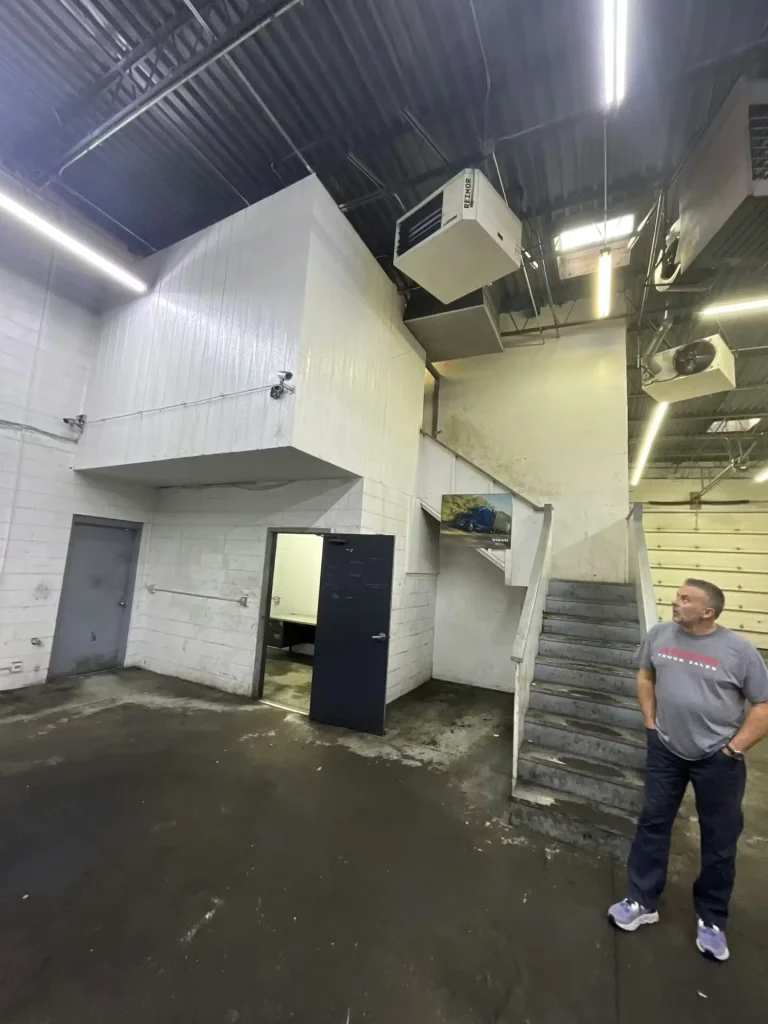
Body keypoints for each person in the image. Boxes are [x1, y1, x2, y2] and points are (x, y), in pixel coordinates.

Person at [608, 578, 768, 961]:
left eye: (685, 599)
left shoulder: (740, 652)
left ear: (707, 611)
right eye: (678, 596)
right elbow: (645, 674)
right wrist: (650, 722)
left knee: (719, 840)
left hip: (719, 759)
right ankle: (641, 900)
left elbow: (762, 707)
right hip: (665, 749)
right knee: (653, 822)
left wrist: (733, 749)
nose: (675, 603)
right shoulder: (660, 635)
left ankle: (712, 919)